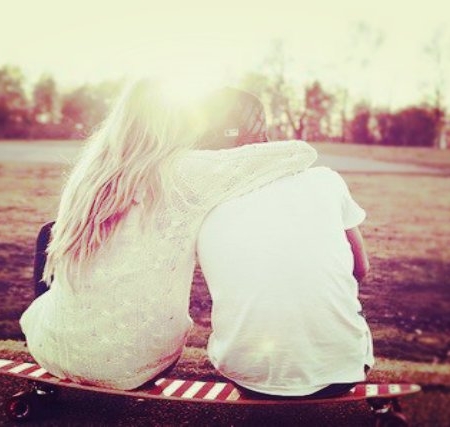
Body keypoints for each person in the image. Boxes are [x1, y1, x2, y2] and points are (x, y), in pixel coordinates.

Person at [20, 80, 317, 390]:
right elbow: (300, 154)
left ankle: (64, 338)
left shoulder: (90, 172)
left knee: (50, 234)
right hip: (134, 366)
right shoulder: (184, 171)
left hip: (53, 353)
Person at [197, 89, 374, 397]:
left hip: (249, 377)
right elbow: (361, 270)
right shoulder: (326, 180)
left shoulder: (202, 204)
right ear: (264, 131)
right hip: (344, 371)